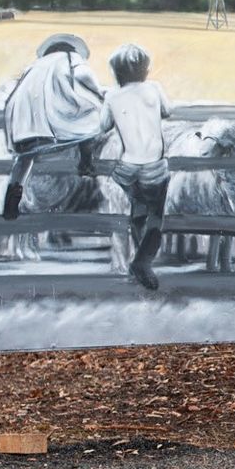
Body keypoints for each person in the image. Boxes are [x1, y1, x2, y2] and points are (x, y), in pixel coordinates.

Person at [2, 33, 107, 220]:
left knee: (24, 160)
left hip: (26, 122)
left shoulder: (34, 66)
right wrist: (99, 94)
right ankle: (86, 163)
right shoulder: (71, 58)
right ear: (72, 49)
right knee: (92, 118)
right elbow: (84, 76)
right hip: (52, 120)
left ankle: (11, 203)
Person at [100, 43, 171, 289]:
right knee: (155, 217)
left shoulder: (111, 95)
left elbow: (103, 126)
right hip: (154, 167)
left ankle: (138, 261)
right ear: (144, 70)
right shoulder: (154, 89)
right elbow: (167, 112)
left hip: (127, 168)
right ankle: (142, 261)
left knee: (138, 213)